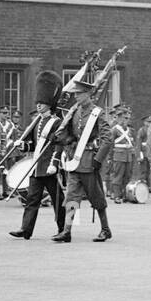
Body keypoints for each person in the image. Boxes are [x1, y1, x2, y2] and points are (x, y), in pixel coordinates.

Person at [55, 77, 114, 243]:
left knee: (96, 197)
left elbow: (107, 139)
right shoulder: (75, 112)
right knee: (71, 196)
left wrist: (98, 159)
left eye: (79, 94)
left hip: (89, 161)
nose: (76, 97)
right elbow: (71, 135)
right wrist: (62, 141)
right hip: (75, 160)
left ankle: (105, 229)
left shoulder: (97, 113)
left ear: (88, 94)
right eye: (75, 94)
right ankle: (67, 231)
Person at [9, 71, 65, 240]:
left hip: (49, 167)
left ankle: (64, 229)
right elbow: (33, 145)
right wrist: (23, 145)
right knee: (32, 200)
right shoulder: (37, 122)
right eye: (38, 102)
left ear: (50, 104)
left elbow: (59, 144)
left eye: (42, 102)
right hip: (36, 166)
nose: (39, 105)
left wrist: (54, 164)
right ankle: (26, 229)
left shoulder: (56, 122)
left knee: (58, 200)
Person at [108, 105, 135, 203]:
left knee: (127, 176)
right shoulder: (115, 129)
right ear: (119, 118)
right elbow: (110, 144)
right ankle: (116, 196)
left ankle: (125, 195)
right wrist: (110, 157)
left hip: (128, 156)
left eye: (128, 118)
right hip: (118, 156)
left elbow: (132, 143)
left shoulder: (129, 130)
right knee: (118, 176)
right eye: (125, 118)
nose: (127, 120)